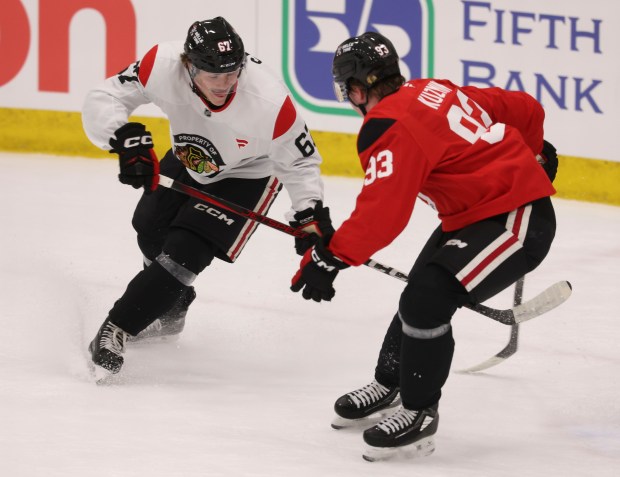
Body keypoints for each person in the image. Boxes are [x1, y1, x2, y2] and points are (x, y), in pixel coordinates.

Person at [290, 32, 559, 460]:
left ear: (357, 89)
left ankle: (419, 413)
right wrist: (536, 149)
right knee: (419, 291)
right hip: (474, 214)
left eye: (348, 90)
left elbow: (384, 214)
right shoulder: (432, 88)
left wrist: (331, 257)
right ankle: (391, 381)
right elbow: (526, 108)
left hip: (515, 219)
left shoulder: (388, 126)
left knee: (427, 300)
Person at [82, 17, 334, 379]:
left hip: (248, 175)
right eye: (213, 76)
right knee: (149, 229)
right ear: (189, 65)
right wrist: (121, 138)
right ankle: (170, 309)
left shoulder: (269, 100)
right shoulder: (162, 64)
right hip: (189, 156)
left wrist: (310, 214)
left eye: (232, 74)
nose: (224, 84)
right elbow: (106, 96)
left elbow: (300, 161)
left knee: (186, 253)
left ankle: (117, 327)